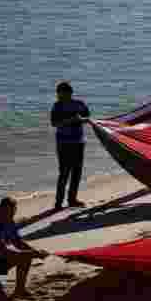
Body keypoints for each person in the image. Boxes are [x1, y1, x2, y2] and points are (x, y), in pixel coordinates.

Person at [50, 82, 90, 210]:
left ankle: (72, 199)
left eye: (60, 92)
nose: (58, 95)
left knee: (76, 172)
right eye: (58, 93)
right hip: (63, 143)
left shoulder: (80, 104)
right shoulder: (57, 106)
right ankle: (58, 203)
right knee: (64, 173)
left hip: (79, 142)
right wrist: (70, 121)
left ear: (69, 93)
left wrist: (81, 119)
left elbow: (87, 117)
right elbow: (54, 123)